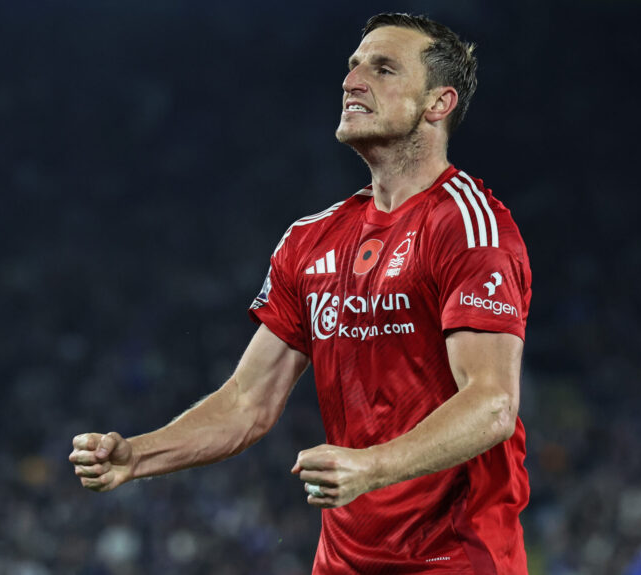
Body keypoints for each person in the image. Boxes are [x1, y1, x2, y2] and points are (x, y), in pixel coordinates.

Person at [70, 13, 532, 574]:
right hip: (342, 562)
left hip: (455, 557)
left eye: (382, 68)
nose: (353, 80)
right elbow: (247, 403)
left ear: (438, 104)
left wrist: (372, 467)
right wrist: (137, 455)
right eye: (353, 66)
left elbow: (492, 404)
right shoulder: (310, 241)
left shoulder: (466, 225)